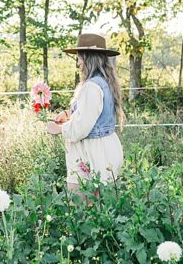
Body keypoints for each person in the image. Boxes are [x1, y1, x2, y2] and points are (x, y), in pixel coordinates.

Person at [45, 33, 125, 195]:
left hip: (92, 154)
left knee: (80, 204)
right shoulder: (105, 82)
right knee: (102, 204)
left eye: (79, 58)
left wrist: (58, 129)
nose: (78, 63)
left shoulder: (91, 87)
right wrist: (68, 114)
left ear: (89, 59)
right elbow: (95, 112)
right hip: (105, 149)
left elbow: (81, 128)